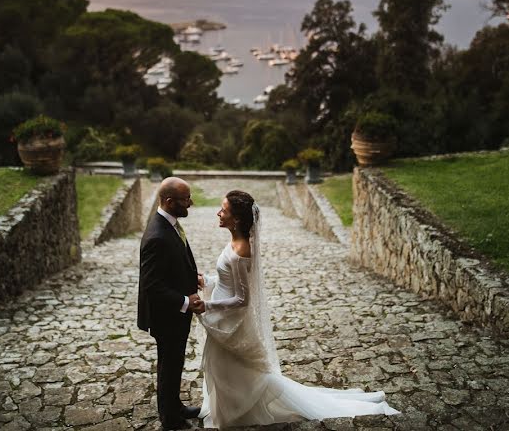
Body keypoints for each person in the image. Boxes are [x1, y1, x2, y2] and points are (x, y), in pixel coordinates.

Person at [197, 190, 399, 429]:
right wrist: (207, 282)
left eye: (224, 210)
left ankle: (236, 412)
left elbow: (242, 299)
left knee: (229, 370)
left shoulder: (242, 250)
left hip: (229, 318)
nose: (219, 213)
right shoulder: (233, 241)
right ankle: (229, 410)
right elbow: (226, 280)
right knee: (224, 369)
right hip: (220, 316)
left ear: (237, 220)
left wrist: (207, 304)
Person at [137, 177, 205, 431]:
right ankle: (170, 418)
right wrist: (186, 301)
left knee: (173, 363)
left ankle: (174, 406)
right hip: (166, 315)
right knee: (169, 364)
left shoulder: (170, 225)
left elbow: (173, 264)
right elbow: (151, 286)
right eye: (185, 199)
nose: (190, 202)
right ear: (168, 201)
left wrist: (192, 278)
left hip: (174, 313)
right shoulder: (157, 235)